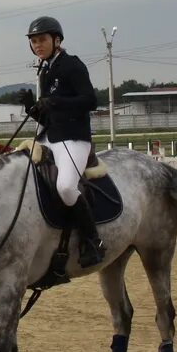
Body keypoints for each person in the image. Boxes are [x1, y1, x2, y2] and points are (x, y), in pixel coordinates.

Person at [19, 15, 104, 268]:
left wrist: (55, 102)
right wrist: (30, 108)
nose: (38, 45)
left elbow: (91, 101)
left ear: (56, 40)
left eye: (42, 40)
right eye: (34, 41)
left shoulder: (72, 65)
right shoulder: (46, 70)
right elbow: (47, 115)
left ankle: (93, 241)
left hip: (74, 139)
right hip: (49, 138)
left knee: (66, 187)